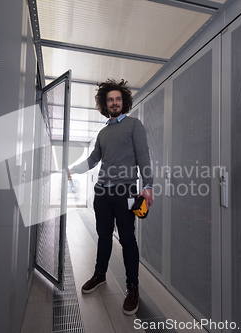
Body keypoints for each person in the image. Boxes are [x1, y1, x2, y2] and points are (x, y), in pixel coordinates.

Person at [68, 78, 153, 315]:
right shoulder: (103, 132)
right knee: (103, 236)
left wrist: (148, 186)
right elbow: (94, 159)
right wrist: (74, 169)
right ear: (104, 105)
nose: (114, 103)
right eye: (110, 100)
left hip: (125, 191)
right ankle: (100, 274)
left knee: (127, 239)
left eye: (118, 99)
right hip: (102, 192)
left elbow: (143, 156)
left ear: (123, 102)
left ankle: (132, 287)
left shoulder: (135, 125)